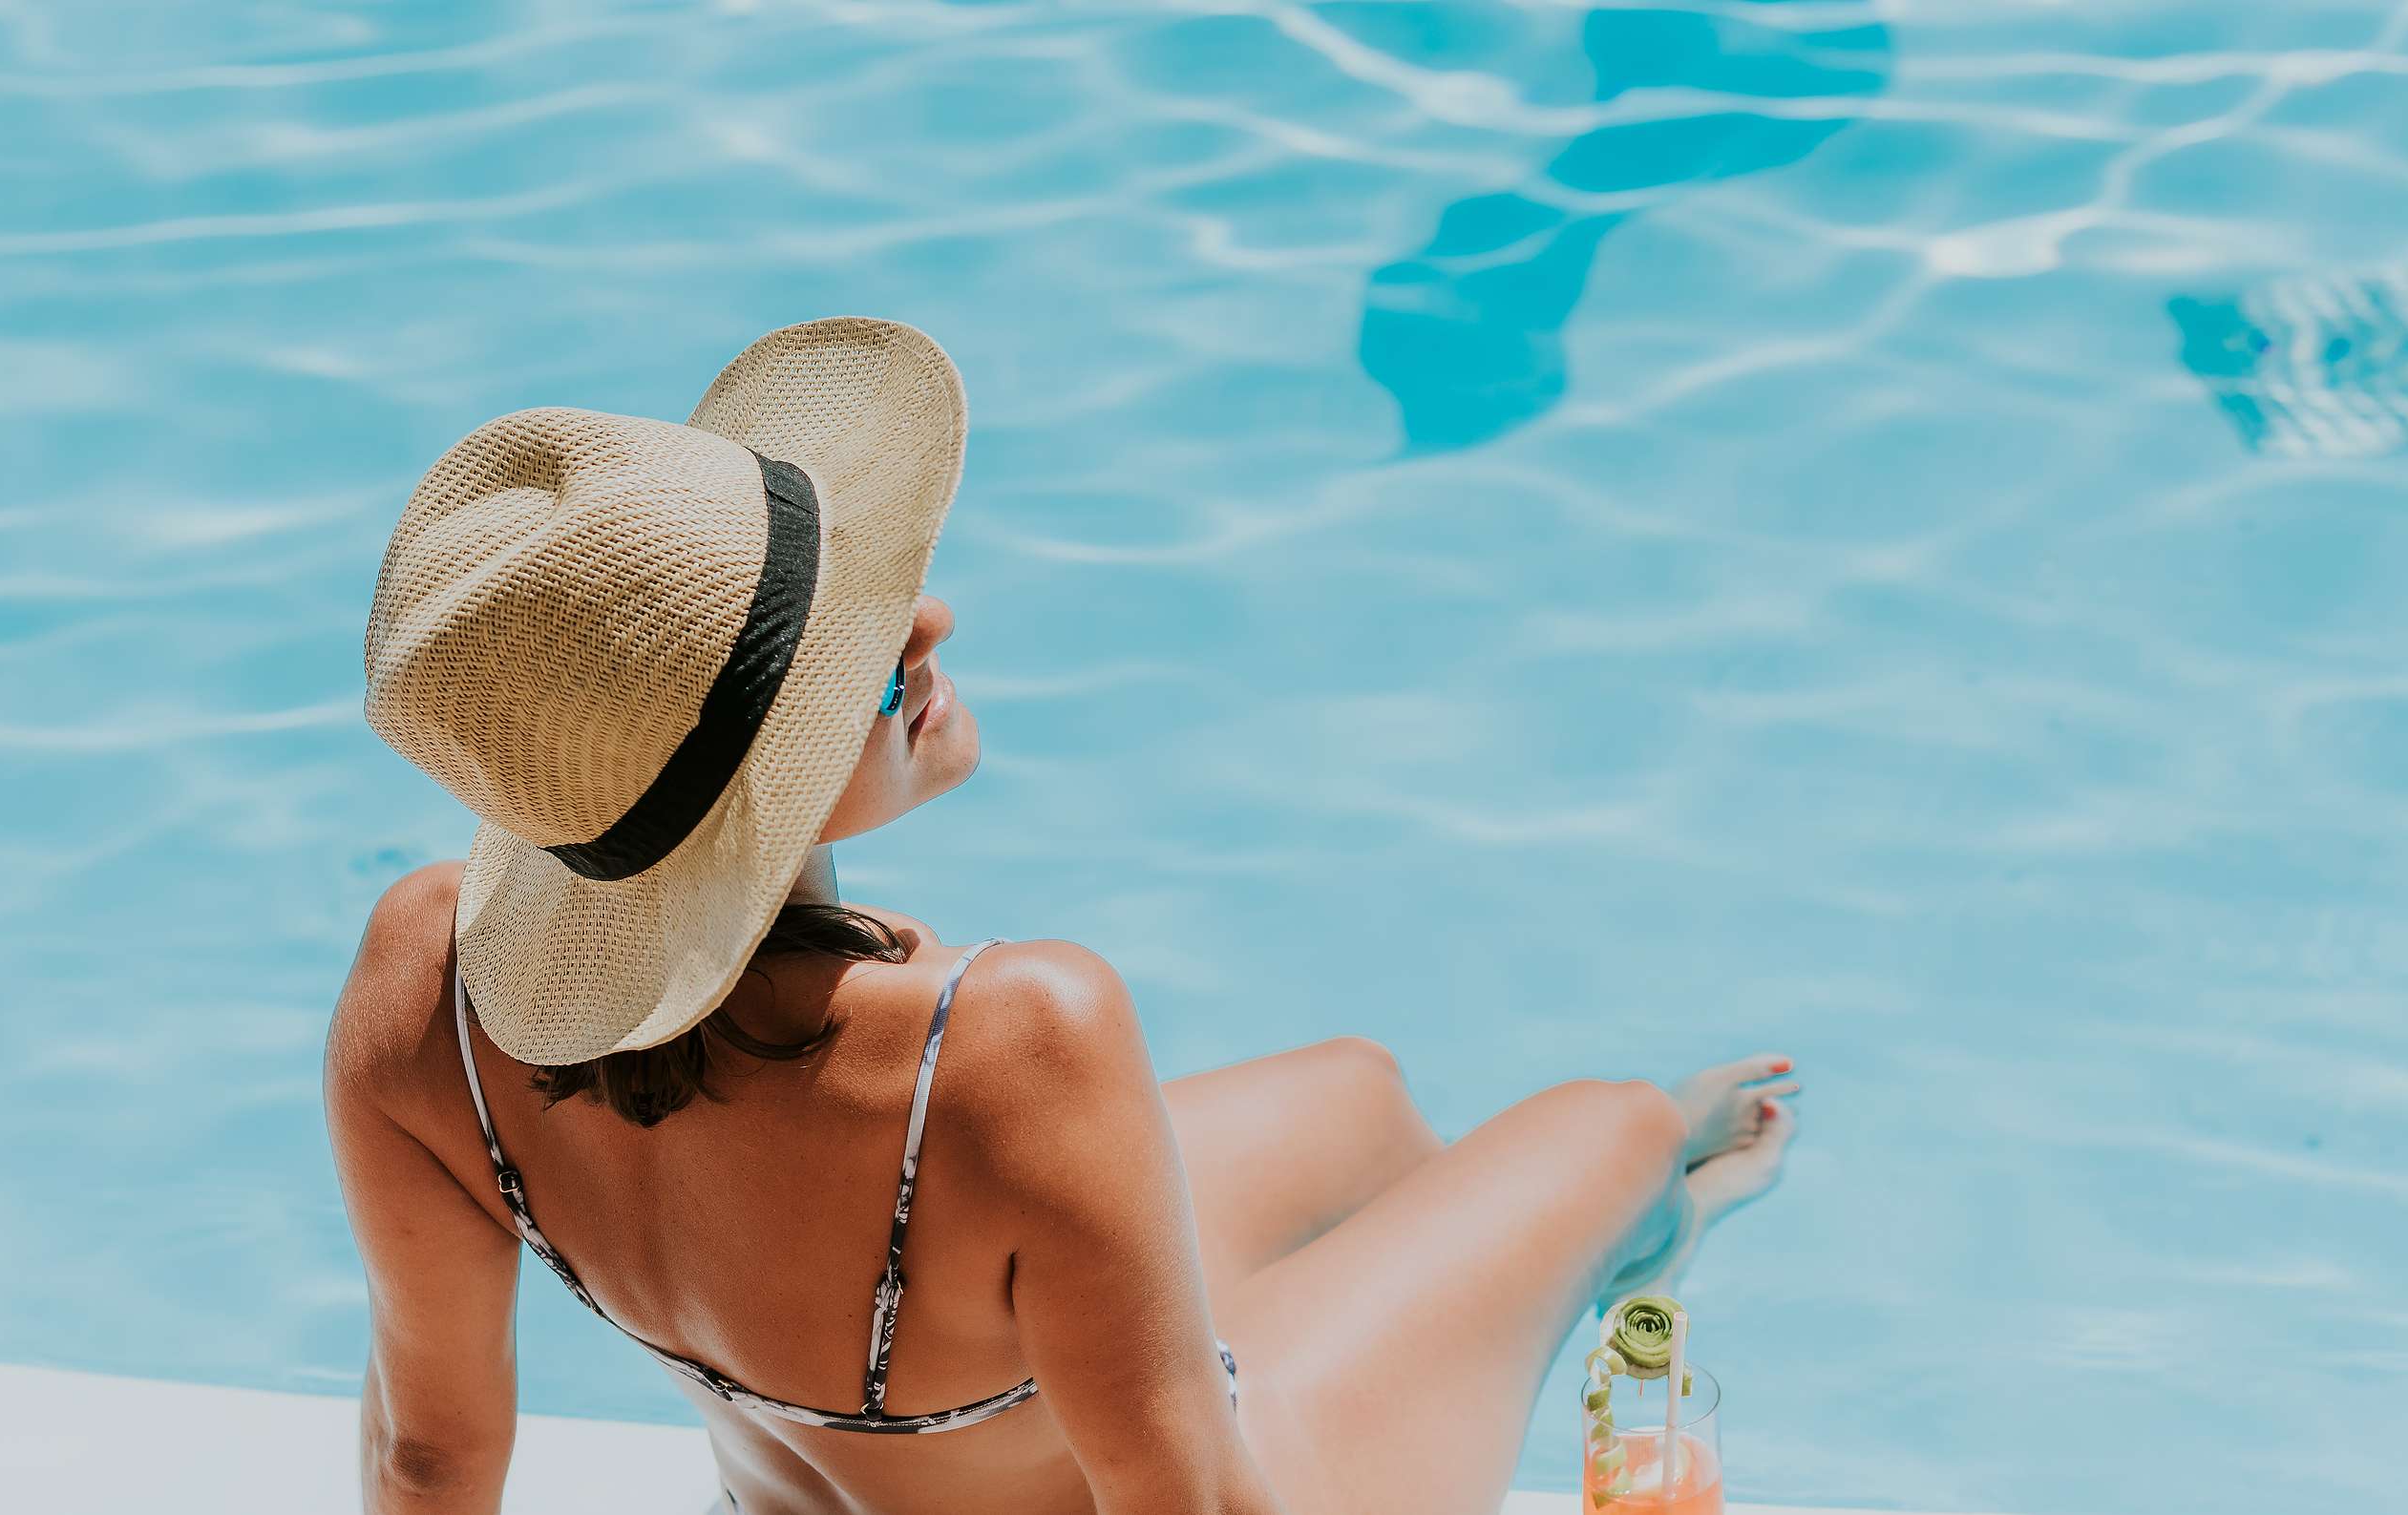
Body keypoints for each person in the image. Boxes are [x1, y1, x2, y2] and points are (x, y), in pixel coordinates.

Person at [326, 318, 1800, 1515]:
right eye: (849, 648)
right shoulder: (1014, 1039)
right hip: (1211, 1482)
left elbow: (430, 1462)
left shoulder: (422, 991)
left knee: (1361, 1096)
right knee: (1604, 1129)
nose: (930, 626)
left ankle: (1432, 1289)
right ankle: (1645, 1233)